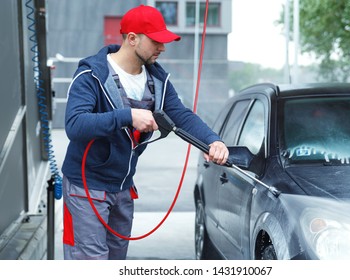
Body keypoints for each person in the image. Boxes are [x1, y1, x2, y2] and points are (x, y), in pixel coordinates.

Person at [61, 4, 229, 260]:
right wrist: (127, 116)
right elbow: (75, 124)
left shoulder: (158, 80)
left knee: (117, 260)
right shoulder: (90, 75)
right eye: (156, 41)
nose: (162, 48)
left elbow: (181, 115)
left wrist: (212, 141)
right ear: (132, 39)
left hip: (123, 188)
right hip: (87, 187)